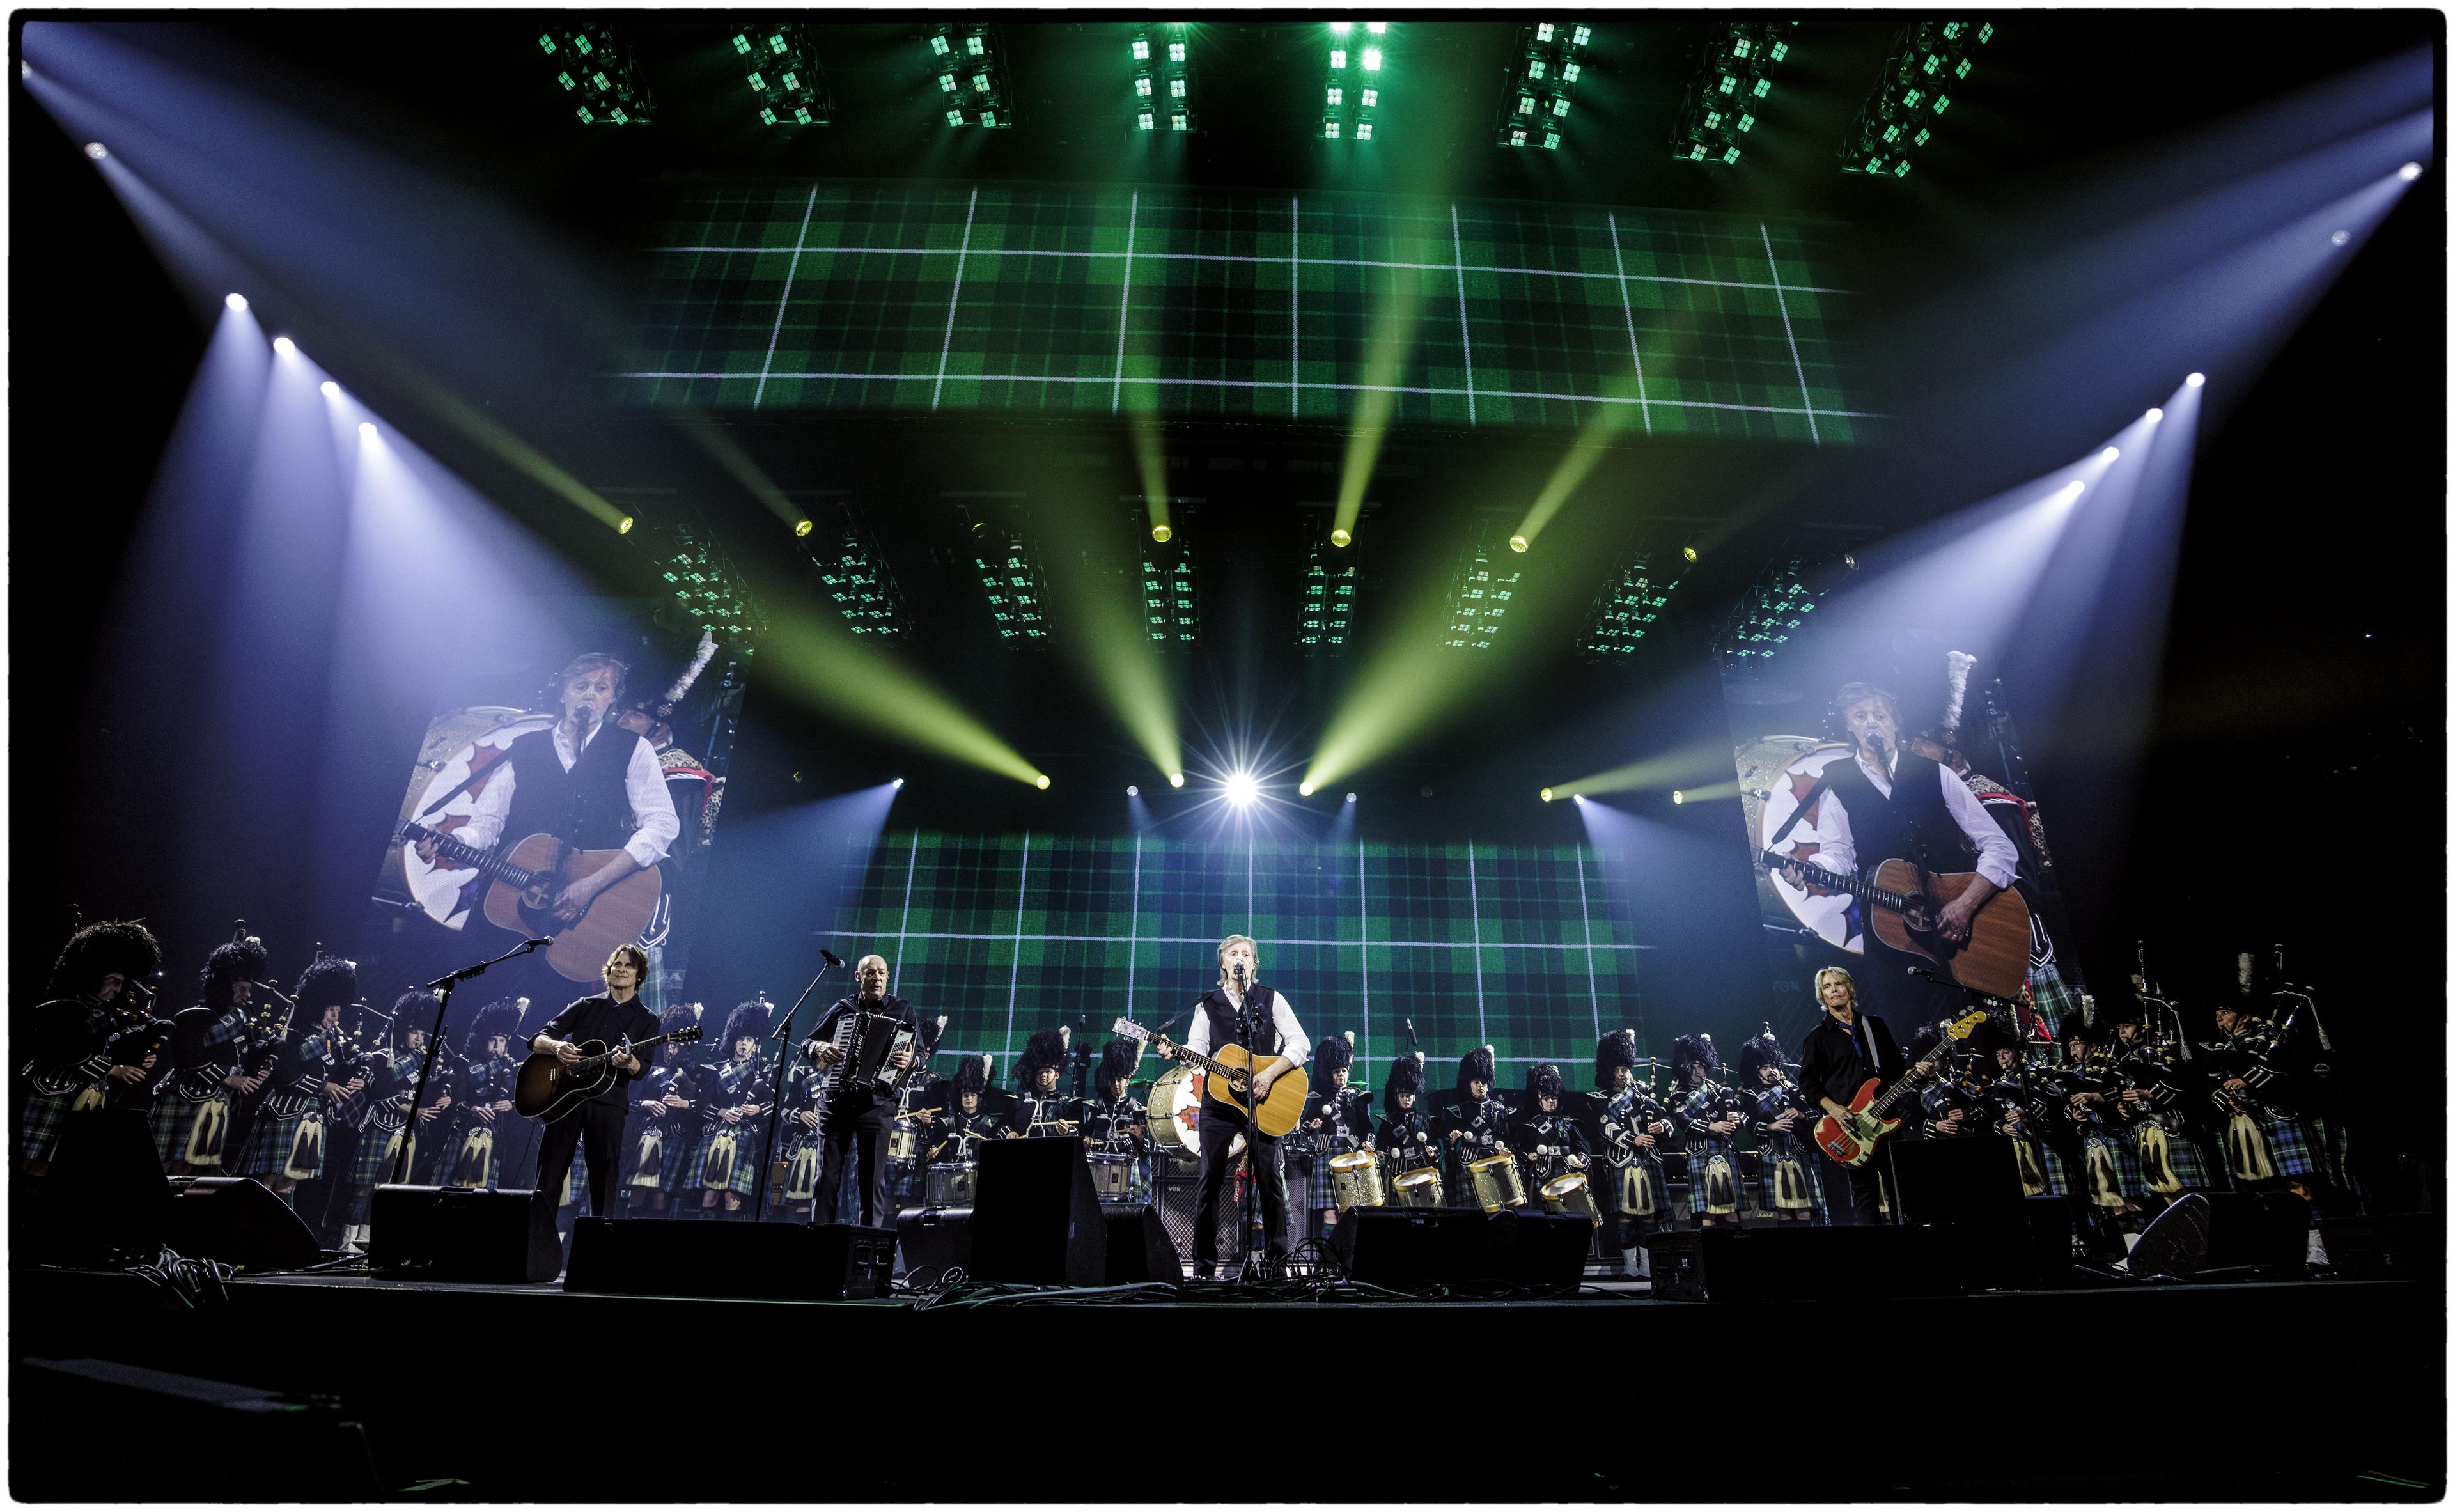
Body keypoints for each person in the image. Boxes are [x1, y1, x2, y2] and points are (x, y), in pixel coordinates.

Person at [1770, 681, 2022, 1025]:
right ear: (1850, 726)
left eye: (1880, 715)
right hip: (1889, 929)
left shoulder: (1935, 773)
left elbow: (2001, 848)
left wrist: (1965, 905)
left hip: (1959, 923)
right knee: (1907, 1033)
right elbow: (1840, 856)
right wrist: (1810, 868)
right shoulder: (1837, 782)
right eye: (1860, 716)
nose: (1871, 722)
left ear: (1894, 723)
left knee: (1978, 1030)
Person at [412, 653, 682, 937]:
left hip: (581, 916)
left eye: (602, 689)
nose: (590, 695)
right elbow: (487, 825)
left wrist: (593, 884)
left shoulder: (634, 749)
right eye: (581, 686)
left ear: (613, 699)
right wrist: (454, 840)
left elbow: (663, 824)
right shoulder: (525, 746)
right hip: (506, 901)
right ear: (564, 693)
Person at [1151, 934, 1311, 1279]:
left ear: (1254, 964)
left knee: (1270, 1181)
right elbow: (1197, 1049)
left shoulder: (1272, 999)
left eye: (1247, 954)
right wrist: (1174, 1051)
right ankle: (1204, 1270)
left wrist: (1269, 1074)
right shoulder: (1207, 1003)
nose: (1240, 958)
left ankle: (1278, 1265)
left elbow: (1300, 1043)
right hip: (1220, 1103)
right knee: (1209, 1179)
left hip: (1264, 1102)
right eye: (1233, 953)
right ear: (1223, 962)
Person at [524, 945, 659, 1242]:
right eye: (617, 964)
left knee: (604, 1176)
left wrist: (630, 1061)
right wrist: (557, 1047)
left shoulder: (648, 1020)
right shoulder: (586, 1004)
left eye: (629, 966)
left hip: (609, 1103)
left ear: (639, 976)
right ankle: (534, 1245)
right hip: (567, 1100)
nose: (621, 969)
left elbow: (642, 1069)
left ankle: (597, 1248)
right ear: (609, 971)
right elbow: (538, 1039)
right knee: (550, 1173)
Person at [18, 921, 164, 1180]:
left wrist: (142, 1052)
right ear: (94, 975)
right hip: (52, 1091)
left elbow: (109, 1046)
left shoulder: (103, 1012)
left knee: (53, 1169)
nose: (118, 989)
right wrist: (112, 1069)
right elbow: (62, 1049)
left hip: (84, 1097)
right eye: (114, 981)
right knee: (26, 1163)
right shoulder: (68, 1007)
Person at [238, 955, 365, 1210]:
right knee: (269, 1179)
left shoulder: (333, 1041)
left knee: (290, 1180)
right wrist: (323, 1087)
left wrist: (356, 1077)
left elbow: (334, 1073)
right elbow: (285, 1074)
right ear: (318, 1006)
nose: (335, 1017)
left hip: (314, 1116)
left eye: (338, 1012)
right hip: (285, 1111)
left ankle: (280, 1236)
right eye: (331, 1010)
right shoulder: (294, 1035)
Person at [1796, 965, 1920, 1225]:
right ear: (1822, 996)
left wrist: (1920, 1071)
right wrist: (1833, 1108)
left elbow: (1898, 1069)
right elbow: (1807, 1084)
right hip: (1851, 1127)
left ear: (1849, 988)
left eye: (1837, 985)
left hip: (1887, 1120)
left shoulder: (1874, 1025)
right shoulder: (1818, 1038)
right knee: (1865, 1196)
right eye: (1827, 987)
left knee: (1902, 1193)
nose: (1833, 991)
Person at [802, 955, 921, 1228]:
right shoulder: (842, 1009)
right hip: (837, 1103)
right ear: (859, 978)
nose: (876, 978)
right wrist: (819, 1048)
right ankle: (819, 1242)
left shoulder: (902, 1009)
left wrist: (910, 1060)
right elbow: (808, 1042)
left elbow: (921, 1053)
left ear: (887, 977)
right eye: (870, 973)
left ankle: (867, 1244)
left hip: (877, 1104)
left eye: (881, 973)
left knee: (870, 1180)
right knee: (828, 1176)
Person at [149, 936, 269, 1174]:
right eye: (241, 988)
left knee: (191, 1167)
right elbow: (187, 1054)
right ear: (225, 984)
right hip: (186, 1094)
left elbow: (241, 1055)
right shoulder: (198, 1015)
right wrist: (227, 1078)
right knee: (164, 1164)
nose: (246, 994)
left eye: (249, 988)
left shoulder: (243, 1018)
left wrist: (263, 1061)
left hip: (217, 1100)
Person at [343, 996, 453, 1250]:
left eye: (422, 1034)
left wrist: (444, 1097)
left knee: (385, 1193)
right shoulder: (382, 1057)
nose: (419, 1039)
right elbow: (378, 1092)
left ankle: (368, 1247)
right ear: (403, 1029)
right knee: (364, 1190)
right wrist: (415, 1111)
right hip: (380, 1126)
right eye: (415, 1032)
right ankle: (346, 1246)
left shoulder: (424, 1062)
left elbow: (425, 1092)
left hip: (405, 1133)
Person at [695, 999, 772, 1219]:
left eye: (749, 1039)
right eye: (740, 1039)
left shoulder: (763, 1070)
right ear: (733, 1041)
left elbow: (775, 1104)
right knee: (710, 1194)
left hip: (745, 1135)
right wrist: (721, 1112)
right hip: (716, 1132)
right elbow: (702, 1105)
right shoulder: (717, 1070)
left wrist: (757, 1109)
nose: (744, 1043)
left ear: (755, 1045)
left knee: (732, 1196)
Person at [1740, 1031, 1823, 1223]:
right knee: (1784, 1212)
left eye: (1774, 1066)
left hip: (1799, 1152)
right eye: (1766, 1067)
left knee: (1805, 1210)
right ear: (1757, 1070)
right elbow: (1746, 1121)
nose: (1772, 1071)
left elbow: (1817, 1117)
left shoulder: (1793, 1090)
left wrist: (1800, 1114)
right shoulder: (1751, 1096)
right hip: (1773, 1153)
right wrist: (1770, 1126)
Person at [446, 1000, 526, 1189]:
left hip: (496, 1136)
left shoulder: (512, 1069)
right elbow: (455, 1100)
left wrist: (511, 1105)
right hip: (463, 1131)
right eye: (493, 1040)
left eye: (502, 1041)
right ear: (483, 1040)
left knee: (484, 1192)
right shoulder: (465, 1064)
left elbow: (521, 1103)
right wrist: (473, 1109)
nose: (497, 1045)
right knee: (451, 1187)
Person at [1300, 1031, 1373, 1234]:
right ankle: (1328, 1262)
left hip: (1351, 1155)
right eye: (1336, 1072)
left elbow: (1366, 1127)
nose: (1341, 1075)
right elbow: (1305, 1127)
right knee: (1330, 1213)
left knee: (1351, 1210)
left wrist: (1368, 1141)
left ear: (1348, 1071)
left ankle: (1347, 1259)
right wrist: (1311, 1126)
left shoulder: (1357, 1097)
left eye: (1344, 1071)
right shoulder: (1320, 1098)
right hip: (1327, 1155)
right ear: (1330, 1074)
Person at [1671, 1036, 1745, 1227]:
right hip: (1700, 1152)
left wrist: (1735, 1121)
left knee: (1732, 1212)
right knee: (1707, 1213)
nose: (1698, 1071)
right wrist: (1712, 1126)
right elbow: (1683, 1120)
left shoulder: (1719, 1092)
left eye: (1701, 1067)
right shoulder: (1680, 1095)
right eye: (1693, 1067)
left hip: (1724, 1151)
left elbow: (1736, 1122)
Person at [1435, 1045, 1513, 1208]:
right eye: (1476, 1082)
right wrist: (1452, 1141)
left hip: (1495, 1164)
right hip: (1467, 1165)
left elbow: (1507, 1138)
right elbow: (1447, 1149)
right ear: (1468, 1083)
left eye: (1483, 1082)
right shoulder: (1459, 1111)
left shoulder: (1498, 1109)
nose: (1480, 1086)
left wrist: (1505, 1150)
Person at [1082, 1036, 1152, 1206]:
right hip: (1098, 1165)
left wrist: (1140, 1137)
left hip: (1128, 1167)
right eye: (1113, 1079)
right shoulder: (1097, 1106)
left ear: (1127, 1081)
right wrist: (1086, 1139)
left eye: (1120, 1080)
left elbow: (1147, 1145)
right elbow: (1085, 1132)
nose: (1116, 1084)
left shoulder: (1137, 1108)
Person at [1509, 1064, 1589, 1194]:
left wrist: (1580, 1160)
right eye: (1546, 1098)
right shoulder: (1531, 1126)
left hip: (1567, 1172)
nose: (1550, 1101)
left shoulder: (1570, 1123)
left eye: (1554, 1097)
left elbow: (1582, 1150)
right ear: (1540, 1101)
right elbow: (1520, 1151)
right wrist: (1529, 1155)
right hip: (1542, 1172)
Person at [923, 1056, 1005, 1163]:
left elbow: (1001, 1130)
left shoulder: (988, 1121)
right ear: (961, 1097)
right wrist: (934, 1148)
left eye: (973, 1095)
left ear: (979, 1099)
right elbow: (940, 1138)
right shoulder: (952, 1121)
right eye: (966, 1095)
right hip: (953, 1170)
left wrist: (1009, 1134)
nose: (969, 1099)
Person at [1375, 1052, 1438, 1185]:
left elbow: (1435, 1143)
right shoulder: (1389, 1121)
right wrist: (1380, 1153)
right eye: (1402, 1095)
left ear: (1414, 1097)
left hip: (1421, 1168)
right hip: (1397, 1171)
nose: (1405, 1099)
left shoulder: (1424, 1119)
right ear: (1397, 1097)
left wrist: (1433, 1151)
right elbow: (1381, 1145)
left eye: (1408, 1096)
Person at [1011, 1027, 1079, 1139]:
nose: (1043, 1075)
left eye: (1048, 1072)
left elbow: (1080, 1134)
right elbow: (1003, 1124)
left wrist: (1067, 1131)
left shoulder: (1069, 1103)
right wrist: (1010, 1133)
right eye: (1040, 1072)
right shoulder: (1019, 1101)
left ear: (1057, 1075)